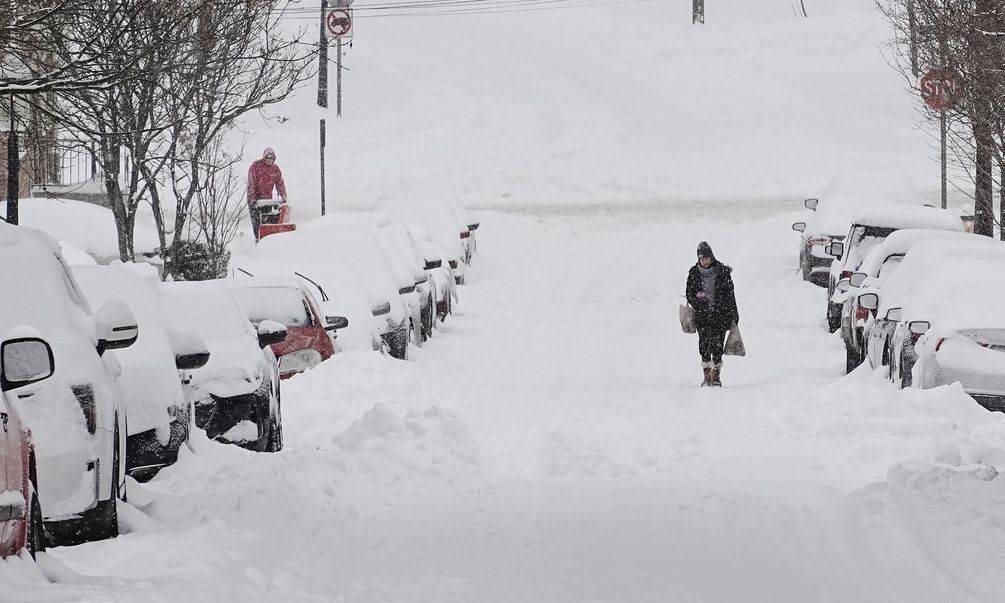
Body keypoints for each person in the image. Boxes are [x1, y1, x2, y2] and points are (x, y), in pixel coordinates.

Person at [685, 241, 739, 386]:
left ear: (712, 257)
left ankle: (715, 376)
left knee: (717, 346)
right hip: (702, 316)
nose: (705, 261)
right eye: (702, 259)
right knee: (704, 345)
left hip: (720, 315)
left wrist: (734, 314)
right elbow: (689, 294)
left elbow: (730, 295)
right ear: (698, 259)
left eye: (707, 258)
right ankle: (706, 375)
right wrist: (698, 301)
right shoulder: (693, 273)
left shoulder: (722, 271)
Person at [246, 148, 288, 241]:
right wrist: (252, 198)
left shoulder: (275, 169)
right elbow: (251, 183)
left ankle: (267, 240)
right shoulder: (256, 166)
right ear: (264, 157)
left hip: (267, 200)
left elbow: (280, 183)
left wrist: (283, 195)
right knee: (257, 223)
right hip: (255, 200)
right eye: (268, 158)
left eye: (271, 158)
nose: (269, 160)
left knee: (267, 222)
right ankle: (258, 239)